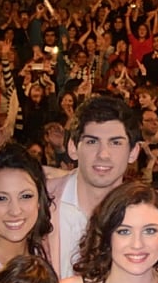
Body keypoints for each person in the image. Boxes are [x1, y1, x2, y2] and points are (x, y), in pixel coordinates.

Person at [46, 95, 142, 268]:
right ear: (73, 148)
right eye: (92, 142)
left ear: (133, 152)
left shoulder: (146, 213)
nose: (103, 154)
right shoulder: (40, 201)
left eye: (115, 143)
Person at [0, 144, 53, 274]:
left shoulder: (47, 256)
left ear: (39, 201)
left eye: (25, 196)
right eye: (2, 198)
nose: (15, 211)